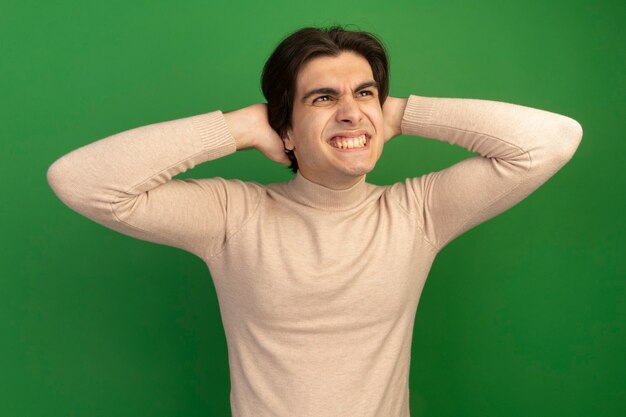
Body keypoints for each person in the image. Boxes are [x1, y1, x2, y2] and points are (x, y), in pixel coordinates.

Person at [47, 26, 583, 417]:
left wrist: (397, 113)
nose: (351, 112)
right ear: (284, 130)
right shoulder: (232, 215)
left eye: (365, 92)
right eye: (323, 98)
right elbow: (81, 182)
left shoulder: (419, 211)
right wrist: (238, 127)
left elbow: (551, 142)